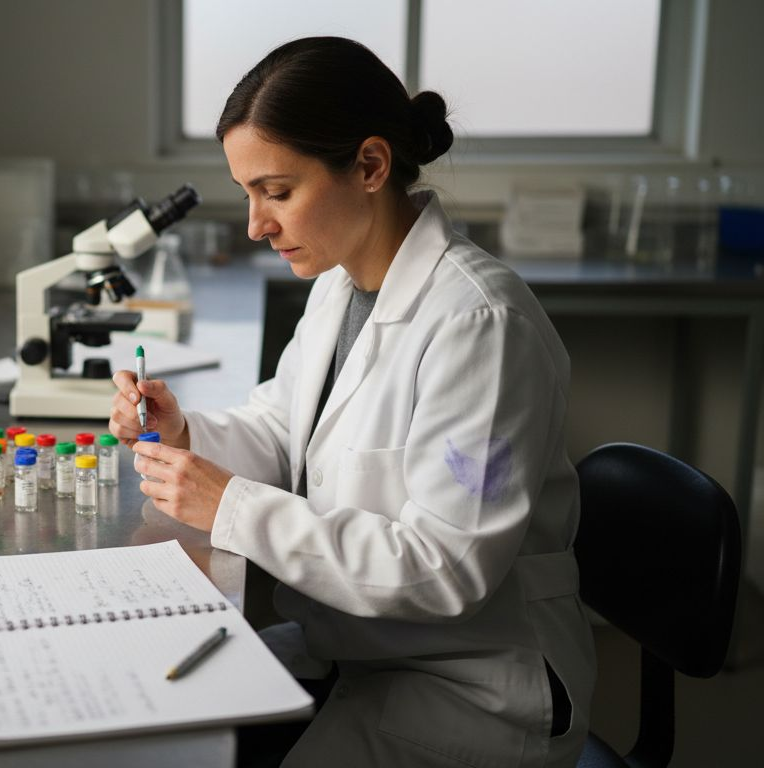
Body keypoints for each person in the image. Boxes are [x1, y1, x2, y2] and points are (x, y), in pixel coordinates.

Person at [109, 37, 595, 768]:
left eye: (277, 191)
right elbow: (283, 428)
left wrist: (231, 506)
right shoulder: (341, 286)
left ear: (370, 166)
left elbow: (445, 568)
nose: (255, 225)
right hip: (360, 649)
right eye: (248, 194)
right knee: (162, 712)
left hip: (470, 685)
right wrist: (184, 435)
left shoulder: (479, 326)